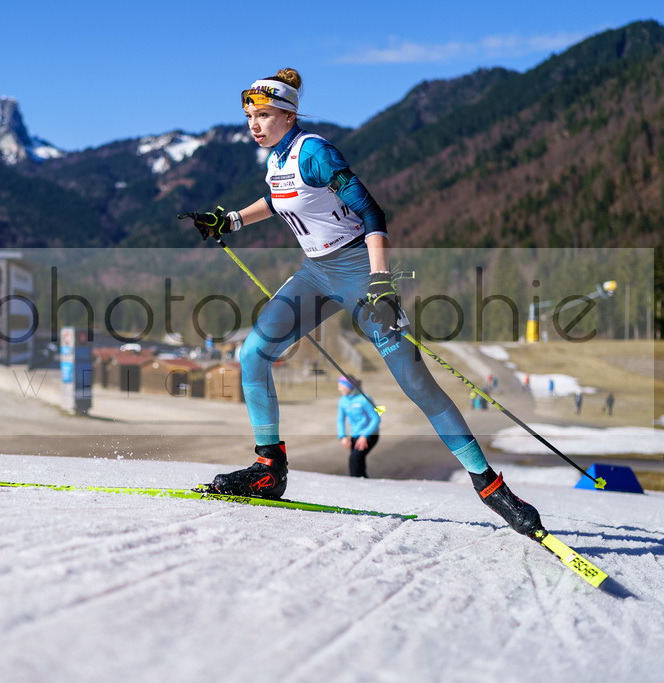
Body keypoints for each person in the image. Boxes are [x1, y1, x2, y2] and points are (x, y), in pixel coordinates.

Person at [178, 67, 541, 537]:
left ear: (288, 115)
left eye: (263, 115)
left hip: (358, 272)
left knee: (416, 382)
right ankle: (269, 469)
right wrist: (231, 220)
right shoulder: (276, 159)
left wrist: (380, 281)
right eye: (250, 116)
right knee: (253, 353)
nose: (254, 124)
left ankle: (490, 486)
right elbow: (277, 198)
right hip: (314, 274)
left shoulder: (315, 152)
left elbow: (372, 211)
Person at [336, 376, 380, 478]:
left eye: (341, 386)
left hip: (370, 435)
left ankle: (355, 484)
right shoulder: (343, 401)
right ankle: (364, 483)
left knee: (354, 459)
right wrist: (342, 436)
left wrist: (364, 436)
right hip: (355, 435)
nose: (339, 389)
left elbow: (376, 418)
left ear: (348, 386)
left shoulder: (364, 399)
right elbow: (340, 420)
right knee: (358, 462)